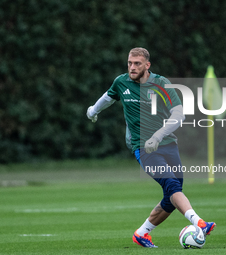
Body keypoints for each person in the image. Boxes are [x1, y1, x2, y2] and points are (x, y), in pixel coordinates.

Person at [86, 47, 215, 248]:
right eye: (130, 62)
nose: (132, 67)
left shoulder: (161, 83)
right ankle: (200, 223)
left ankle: (142, 233)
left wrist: (157, 136)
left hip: (168, 143)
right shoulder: (121, 82)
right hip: (143, 148)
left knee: (172, 195)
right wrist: (93, 111)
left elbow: (179, 114)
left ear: (148, 65)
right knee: (172, 187)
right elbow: (108, 97)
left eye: (137, 63)